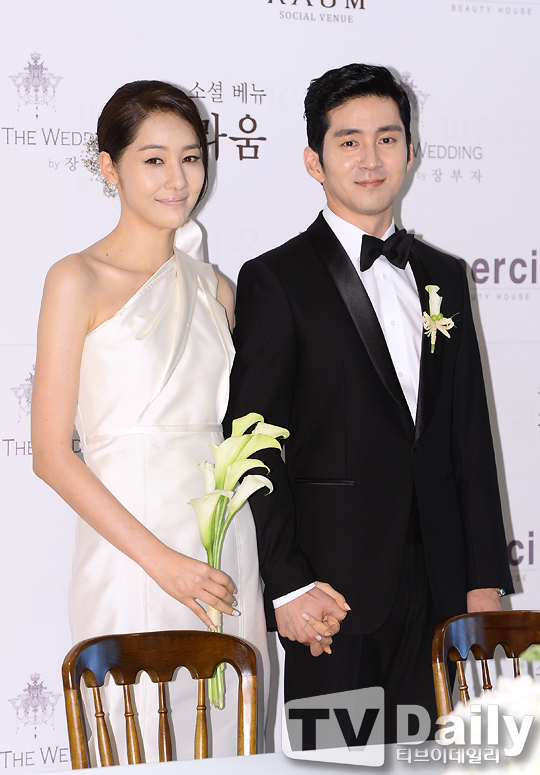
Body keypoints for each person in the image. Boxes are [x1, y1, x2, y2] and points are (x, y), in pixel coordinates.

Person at [224, 64, 513, 742]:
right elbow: (251, 442)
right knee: (337, 761)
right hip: (332, 595)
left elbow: (468, 434)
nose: (371, 157)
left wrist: (483, 579)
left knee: (443, 759)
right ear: (314, 160)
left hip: (442, 588)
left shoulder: (444, 275)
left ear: (411, 151)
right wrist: (288, 584)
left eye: (387, 138)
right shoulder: (275, 279)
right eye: (348, 141)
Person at [31, 80, 269, 761]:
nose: (178, 179)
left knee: (228, 736)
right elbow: (51, 454)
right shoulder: (75, 278)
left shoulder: (215, 287)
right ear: (110, 167)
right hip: (131, 554)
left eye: (191, 158)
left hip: (223, 544)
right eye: (154, 159)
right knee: (136, 733)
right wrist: (161, 561)